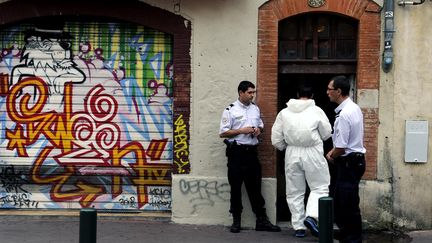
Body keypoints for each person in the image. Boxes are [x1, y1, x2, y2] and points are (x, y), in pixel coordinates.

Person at [219, 80, 281, 233]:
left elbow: (260, 124)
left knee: (255, 187)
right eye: (250, 92)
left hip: (252, 153)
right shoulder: (230, 110)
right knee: (236, 188)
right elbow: (222, 132)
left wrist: (258, 129)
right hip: (236, 153)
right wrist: (242, 130)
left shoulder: (255, 109)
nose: (252, 95)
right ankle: (236, 221)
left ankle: (261, 221)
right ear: (241, 93)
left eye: (254, 92)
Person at [271, 85, 332, 238]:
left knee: (294, 191)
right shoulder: (316, 110)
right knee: (320, 187)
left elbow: (276, 138)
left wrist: (286, 146)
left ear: (297, 95)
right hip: (313, 151)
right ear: (312, 95)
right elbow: (326, 133)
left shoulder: (284, 113)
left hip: (292, 152)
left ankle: (298, 227)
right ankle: (311, 216)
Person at [325, 76, 366, 243]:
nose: (327, 92)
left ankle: (353, 238)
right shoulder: (354, 108)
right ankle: (346, 233)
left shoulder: (344, 114)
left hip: (348, 162)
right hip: (355, 161)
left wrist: (330, 155)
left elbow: (341, 147)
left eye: (329, 89)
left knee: (348, 205)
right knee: (344, 202)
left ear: (338, 91)